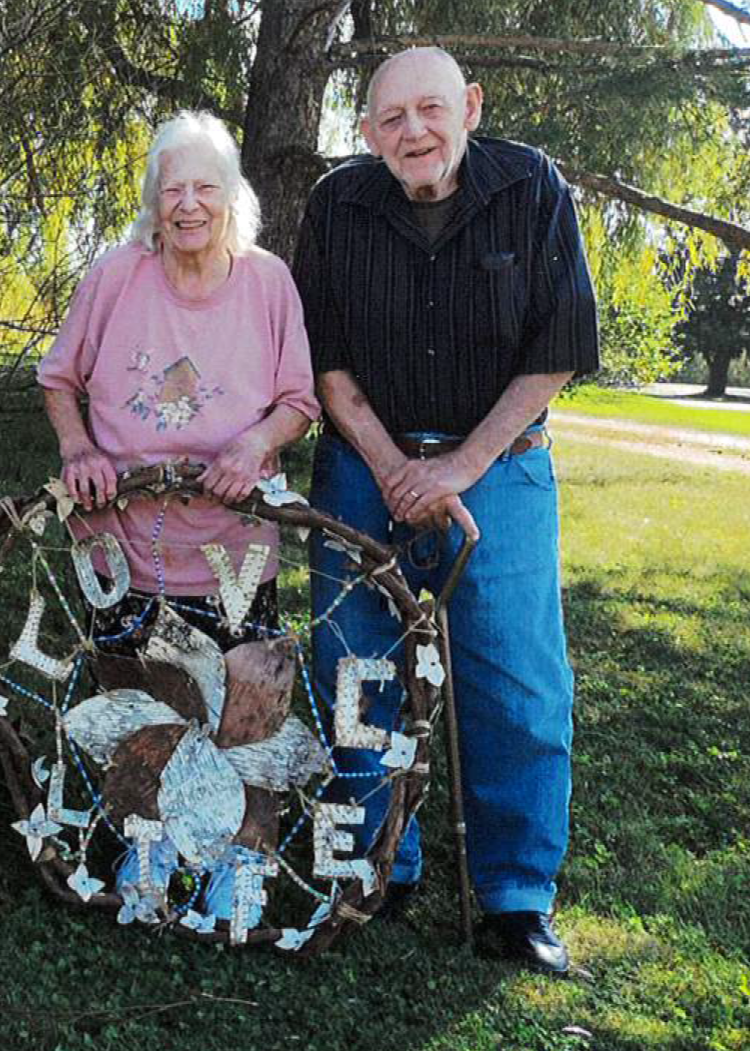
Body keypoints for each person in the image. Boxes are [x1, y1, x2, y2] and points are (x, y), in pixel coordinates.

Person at [292, 47, 598, 974]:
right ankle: (378, 865)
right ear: (366, 131)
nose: (413, 131)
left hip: (500, 468)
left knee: (517, 683)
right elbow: (324, 363)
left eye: (430, 109)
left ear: (470, 106)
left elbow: (559, 347)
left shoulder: (532, 187)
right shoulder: (336, 206)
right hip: (366, 466)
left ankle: (515, 894)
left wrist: (460, 468)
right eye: (391, 118)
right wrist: (395, 470)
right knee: (355, 670)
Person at [37, 110, 319, 917]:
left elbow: (299, 401)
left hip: (234, 548)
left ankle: (241, 862)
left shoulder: (267, 282)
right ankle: (149, 853)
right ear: (153, 201)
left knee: (245, 706)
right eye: (173, 189)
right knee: (143, 701)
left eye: (205, 187)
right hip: (126, 543)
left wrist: (255, 444)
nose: (188, 204)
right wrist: (79, 450)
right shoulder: (117, 276)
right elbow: (58, 379)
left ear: (233, 195)